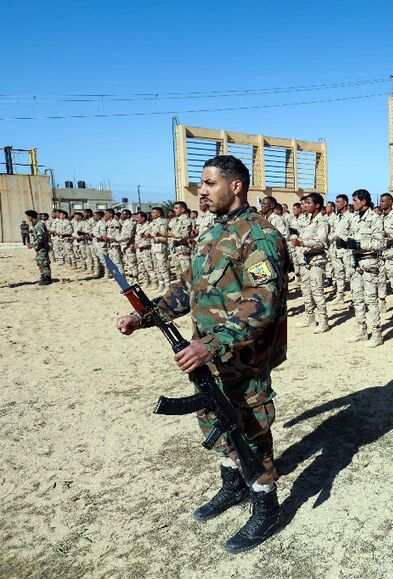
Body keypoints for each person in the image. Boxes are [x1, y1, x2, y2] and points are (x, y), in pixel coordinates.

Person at [116, 155, 289, 553]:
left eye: (210, 183)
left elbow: (261, 302)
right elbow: (186, 289)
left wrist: (208, 344)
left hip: (243, 355)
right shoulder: (212, 234)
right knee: (215, 420)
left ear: (236, 186)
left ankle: (267, 508)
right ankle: (233, 486)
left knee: (251, 429)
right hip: (209, 355)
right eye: (201, 184)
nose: (202, 191)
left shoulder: (259, 236)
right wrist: (143, 318)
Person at [344, 189, 386, 346]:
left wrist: (360, 245)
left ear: (363, 202)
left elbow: (380, 244)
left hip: (369, 262)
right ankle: (361, 330)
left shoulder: (375, 219)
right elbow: (351, 237)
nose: (353, 203)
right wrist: (345, 243)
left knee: (370, 299)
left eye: (355, 200)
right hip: (355, 263)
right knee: (357, 298)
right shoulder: (354, 218)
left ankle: (376, 333)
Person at [290, 193, 329, 333]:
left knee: (317, 291)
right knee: (306, 290)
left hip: (316, 259)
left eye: (308, 203)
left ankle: (323, 320)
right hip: (305, 260)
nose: (304, 205)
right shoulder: (307, 219)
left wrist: (302, 242)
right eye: (304, 203)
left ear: (317, 205)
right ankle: (310, 316)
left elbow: (321, 243)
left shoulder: (322, 221)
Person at [25, 210, 52, 285]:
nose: (27, 218)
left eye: (28, 217)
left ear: (30, 217)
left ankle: (47, 278)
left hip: (42, 246)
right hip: (38, 247)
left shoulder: (39, 224)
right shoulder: (34, 224)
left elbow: (41, 238)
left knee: (44, 262)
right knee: (39, 262)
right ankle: (43, 276)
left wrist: (32, 245)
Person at [168, 201, 194, 277]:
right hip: (175, 249)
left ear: (182, 210)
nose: (174, 210)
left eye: (176, 208)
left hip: (182, 248)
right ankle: (182, 287)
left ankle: (189, 288)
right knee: (178, 272)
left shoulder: (186, 220)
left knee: (186, 272)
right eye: (174, 208)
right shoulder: (175, 221)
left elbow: (185, 235)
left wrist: (171, 234)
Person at [118, 210, 139, 285]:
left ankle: (136, 280)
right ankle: (131, 279)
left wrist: (116, 239)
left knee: (132, 263)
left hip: (129, 245)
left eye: (123, 214)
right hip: (125, 246)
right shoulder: (125, 223)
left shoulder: (130, 223)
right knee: (128, 263)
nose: (121, 215)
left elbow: (128, 236)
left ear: (128, 215)